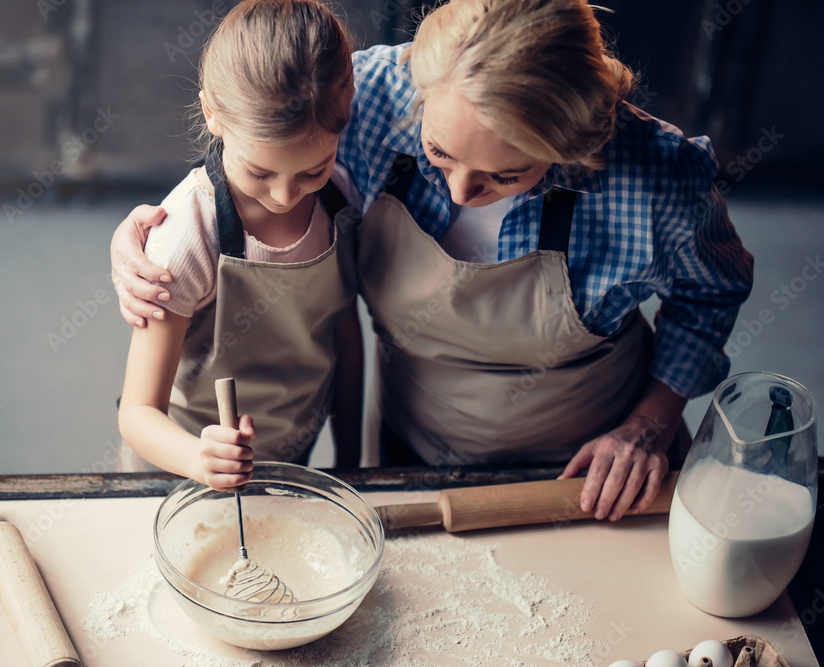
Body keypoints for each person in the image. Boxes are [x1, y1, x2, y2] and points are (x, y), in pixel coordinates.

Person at [112, 0, 753, 517]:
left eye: (505, 175)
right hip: (411, 445)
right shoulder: (368, 98)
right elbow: (256, 135)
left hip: (586, 468)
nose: (460, 192)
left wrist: (650, 423)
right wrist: (149, 233)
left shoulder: (657, 178)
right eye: (438, 154)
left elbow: (711, 293)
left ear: (574, 142)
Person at [117, 0, 363, 491]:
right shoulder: (189, 233)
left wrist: (354, 460)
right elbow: (138, 413)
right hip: (181, 465)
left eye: (312, 170)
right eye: (259, 172)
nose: (285, 194)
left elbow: (344, 332)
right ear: (212, 113)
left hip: (295, 446)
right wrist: (199, 457)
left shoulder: (343, 198)